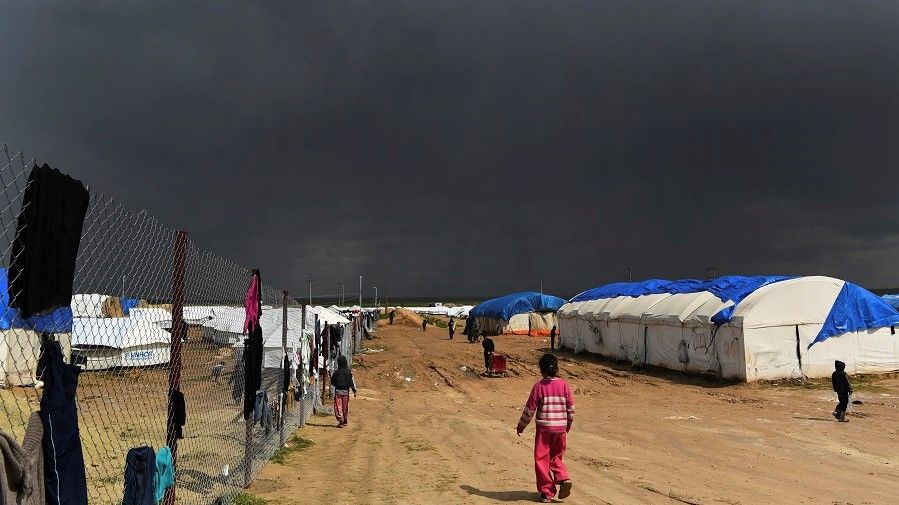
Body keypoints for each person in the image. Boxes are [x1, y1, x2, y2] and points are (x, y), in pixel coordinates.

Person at [517, 353, 575, 503]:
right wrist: (568, 424)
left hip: (544, 430)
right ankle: (563, 478)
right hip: (560, 429)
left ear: (541, 370)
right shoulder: (564, 385)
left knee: (541, 459)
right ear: (556, 368)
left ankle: (546, 492)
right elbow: (571, 409)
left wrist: (521, 425)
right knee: (556, 456)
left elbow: (529, 410)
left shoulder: (539, 387)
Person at [330, 355, 357, 428]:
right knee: (345, 407)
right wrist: (354, 391)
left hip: (338, 392)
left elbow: (332, 382)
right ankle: (345, 420)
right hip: (346, 392)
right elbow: (351, 382)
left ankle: (341, 421)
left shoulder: (336, 372)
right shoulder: (348, 372)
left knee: (338, 407)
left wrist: (336, 384)